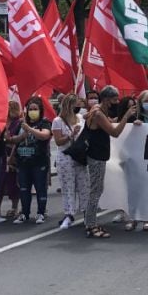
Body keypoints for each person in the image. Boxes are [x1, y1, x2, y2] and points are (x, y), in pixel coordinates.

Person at [83, 86, 137, 238]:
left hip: (98, 155)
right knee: (96, 190)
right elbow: (115, 132)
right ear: (106, 99)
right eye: (114, 99)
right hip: (96, 156)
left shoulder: (97, 110)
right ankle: (91, 225)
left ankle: (91, 222)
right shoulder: (98, 113)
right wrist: (126, 116)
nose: (117, 102)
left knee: (96, 190)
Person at [8, 96, 53, 223]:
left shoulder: (44, 122)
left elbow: (45, 135)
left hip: (39, 162)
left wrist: (30, 130)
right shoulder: (21, 123)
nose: (32, 111)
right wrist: (19, 136)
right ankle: (25, 213)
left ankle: (41, 213)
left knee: (40, 188)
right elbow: (14, 140)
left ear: (40, 110)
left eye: (35, 109)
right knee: (24, 189)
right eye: (30, 109)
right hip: (23, 163)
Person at [52, 94, 88, 230]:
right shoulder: (57, 121)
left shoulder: (79, 118)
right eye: (76, 104)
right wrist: (71, 135)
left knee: (84, 186)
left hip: (79, 156)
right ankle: (69, 214)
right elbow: (58, 141)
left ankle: (86, 212)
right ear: (69, 105)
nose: (79, 107)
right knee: (68, 186)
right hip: (65, 157)